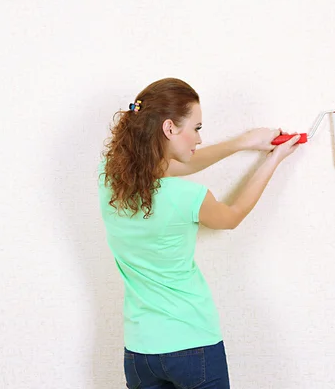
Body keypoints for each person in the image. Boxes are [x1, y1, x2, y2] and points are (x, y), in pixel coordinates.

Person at [97, 78, 302, 389]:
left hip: (139, 353)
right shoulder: (186, 197)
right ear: (169, 128)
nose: (199, 139)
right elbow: (231, 217)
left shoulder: (109, 181)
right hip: (192, 344)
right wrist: (273, 160)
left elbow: (182, 165)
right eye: (197, 128)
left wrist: (244, 142)